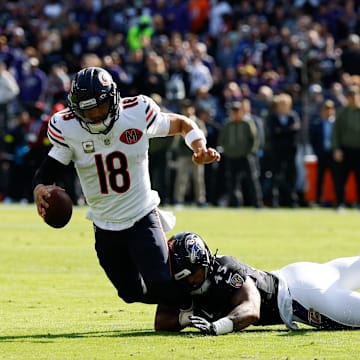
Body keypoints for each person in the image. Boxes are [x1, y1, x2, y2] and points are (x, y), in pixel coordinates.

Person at [32, 67, 220, 307]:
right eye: (87, 110)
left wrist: (199, 147)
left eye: (99, 107)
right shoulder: (67, 127)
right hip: (104, 222)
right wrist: (39, 187)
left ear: (113, 98)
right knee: (130, 293)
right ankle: (179, 300)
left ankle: (203, 290)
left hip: (141, 214)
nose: (95, 116)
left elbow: (182, 124)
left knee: (160, 281)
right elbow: (50, 168)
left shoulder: (136, 112)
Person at [155, 232, 360, 334]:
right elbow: (161, 322)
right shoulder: (182, 284)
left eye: (194, 273)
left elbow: (251, 309)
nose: (190, 280)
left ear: (205, 263)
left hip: (305, 297)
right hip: (297, 274)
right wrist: (185, 318)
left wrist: (218, 326)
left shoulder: (226, 269)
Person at [332, 85, 360, 209]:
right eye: (350, 97)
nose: (352, 99)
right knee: (341, 179)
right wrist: (337, 149)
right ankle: (340, 203)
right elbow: (336, 132)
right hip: (346, 150)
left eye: (355, 96)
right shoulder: (342, 113)